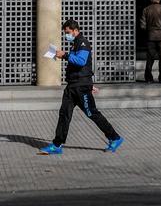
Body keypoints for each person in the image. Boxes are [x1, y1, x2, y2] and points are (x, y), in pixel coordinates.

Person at [39, 20, 124, 155]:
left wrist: (65, 55)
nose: (66, 35)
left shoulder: (83, 43)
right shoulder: (75, 44)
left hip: (81, 87)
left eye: (68, 32)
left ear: (75, 30)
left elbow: (81, 61)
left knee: (92, 113)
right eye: (65, 33)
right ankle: (57, 145)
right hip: (73, 86)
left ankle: (114, 137)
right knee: (64, 114)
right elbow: (80, 66)